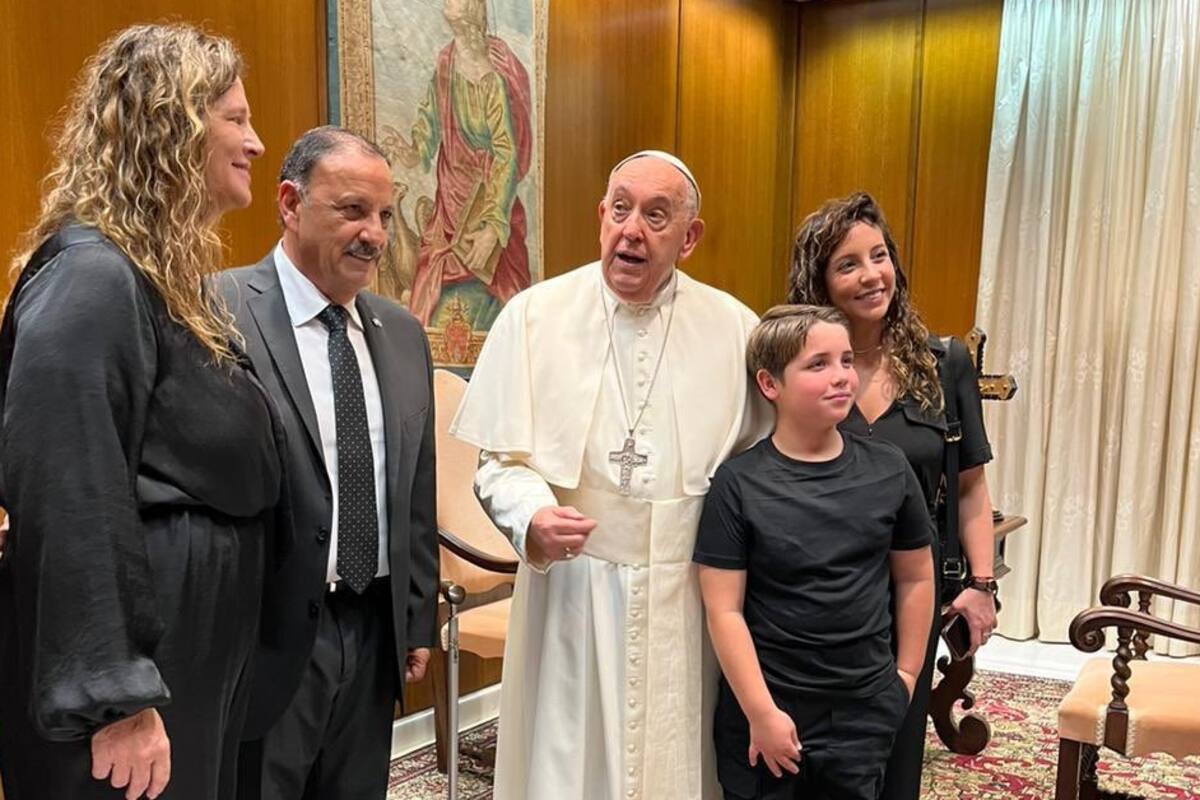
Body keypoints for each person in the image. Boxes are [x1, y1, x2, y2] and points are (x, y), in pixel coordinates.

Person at [0, 23, 279, 800]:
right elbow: (68, 489)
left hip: (187, 648)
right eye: (235, 118)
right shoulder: (91, 274)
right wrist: (115, 696)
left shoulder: (158, 277)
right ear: (173, 122)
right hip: (132, 675)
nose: (256, 142)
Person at [452, 150, 772, 800]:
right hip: (574, 586)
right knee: (568, 765)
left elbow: (761, 467)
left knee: (678, 762)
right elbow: (499, 463)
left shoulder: (736, 328)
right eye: (620, 209)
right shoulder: (534, 318)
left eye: (657, 216)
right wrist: (531, 518)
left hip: (687, 592)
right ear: (601, 216)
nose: (632, 230)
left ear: (690, 237)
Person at [218, 126, 439, 800]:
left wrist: (415, 614)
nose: (374, 234)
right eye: (351, 210)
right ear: (289, 202)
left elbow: (415, 487)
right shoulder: (217, 310)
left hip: (372, 631)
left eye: (383, 215)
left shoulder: (400, 332)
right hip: (267, 634)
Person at [787, 192, 998, 799]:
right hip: (818, 590)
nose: (870, 274)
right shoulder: (800, 369)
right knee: (817, 753)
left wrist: (980, 587)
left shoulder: (943, 363)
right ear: (819, 282)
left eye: (879, 256)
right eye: (847, 264)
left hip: (915, 588)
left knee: (897, 740)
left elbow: (971, 484)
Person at [695, 305, 935, 800]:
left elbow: (915, 577)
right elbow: (723, 610)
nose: (842, 377)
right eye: (817, 364)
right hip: (769, 710)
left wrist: (906, 677)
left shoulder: (889, 469)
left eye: (846, 360)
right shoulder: (738, 483)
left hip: (863, 707)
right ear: (770, 384)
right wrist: (761, 713)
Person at [387, 0, 533, 330]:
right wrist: (410, 150)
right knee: (429, 285)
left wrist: (494, 227)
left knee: (503, 296)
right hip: (449, 198)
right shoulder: (446, 63)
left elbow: (506, 153)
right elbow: (429, 126)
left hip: (487, 198)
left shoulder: (494, 74)